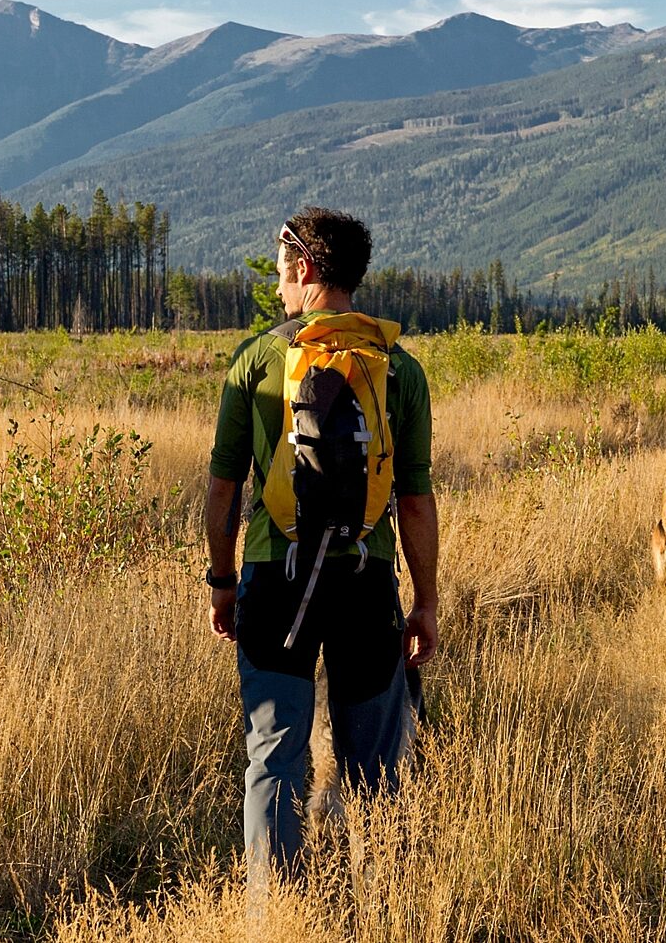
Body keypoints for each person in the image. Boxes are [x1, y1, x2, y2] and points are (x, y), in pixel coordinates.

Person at [204, 206, 439, 891]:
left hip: (276, 582)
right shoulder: (399, 370)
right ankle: (386, 907)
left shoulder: (255, 361)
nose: (280, 289)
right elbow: (416, 500)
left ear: (305, 269)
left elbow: (223, 490)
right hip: (366, 586)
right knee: (377, 765)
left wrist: (222, 580)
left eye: (282, 274)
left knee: (274, 758)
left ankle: (276, 916)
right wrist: (424, 602)